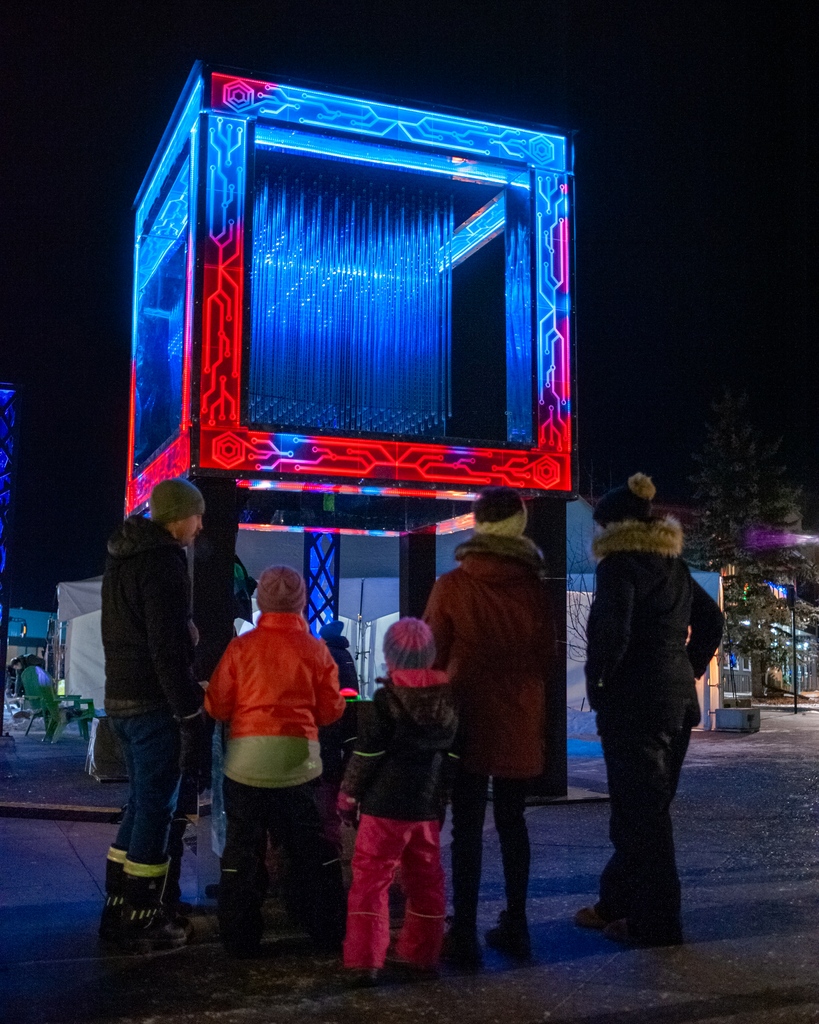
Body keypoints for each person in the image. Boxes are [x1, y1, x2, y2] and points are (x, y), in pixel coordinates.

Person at [574, 473, 724, 946]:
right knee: (644, 809)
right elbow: (712, 620)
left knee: (643, 815)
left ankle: (657, 923)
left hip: (635, 704)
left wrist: (599, 684)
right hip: (676, 703)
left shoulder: (618, 565)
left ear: (613, 526)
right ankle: (615, 901)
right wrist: (689, 669)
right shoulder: (672, 565)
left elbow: (610, 633)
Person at [424, 486, 556, 967]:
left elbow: (430, 654)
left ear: (478, 525)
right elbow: (547, 657)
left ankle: (463, 930)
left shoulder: (452, 585)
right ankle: (516, 923)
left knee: (466, 827)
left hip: (467, 718)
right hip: (520, 716)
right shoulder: (536, 590)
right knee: (513, 822)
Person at [205, 565, 347, 958]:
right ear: (300, 601)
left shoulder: (241, 648)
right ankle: (323, 929)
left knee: (243, 850)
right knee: (309, 848)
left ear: (261, 602)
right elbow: (333, 711)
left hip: (246, 763)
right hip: (298, 763)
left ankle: (240, 937)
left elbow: (217, 705)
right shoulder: (316, 649)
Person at [99, 477, 207, 952]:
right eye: (197, 516)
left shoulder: (121, 560)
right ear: (179, 516)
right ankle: (142, 919)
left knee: (141, 805)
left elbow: (137, 632)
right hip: (152, 704)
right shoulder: (165, 563)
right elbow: (165, 648)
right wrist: (189, 708)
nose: (200, 525)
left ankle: (117, 905)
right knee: (157, 811)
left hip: (120, 700)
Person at [339, 618, 457, 985]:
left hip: (383, 809)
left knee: (372, 881)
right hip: (425, 809)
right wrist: (442, 797)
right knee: (426, 881)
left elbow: (367, 756)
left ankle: (364, 961)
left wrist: (348, 796)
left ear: (390, 657)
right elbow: (452, 757)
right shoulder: (448, 700)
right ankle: (421, 955)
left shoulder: (387, 701)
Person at [316, 620, 360, 849]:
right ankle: (333, 838)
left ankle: (328, 843)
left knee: (326, 782)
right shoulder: (346, 656)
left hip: (329, 728)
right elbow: (351, 693)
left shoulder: (328, 656)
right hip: (345, 725)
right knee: (334, 777)